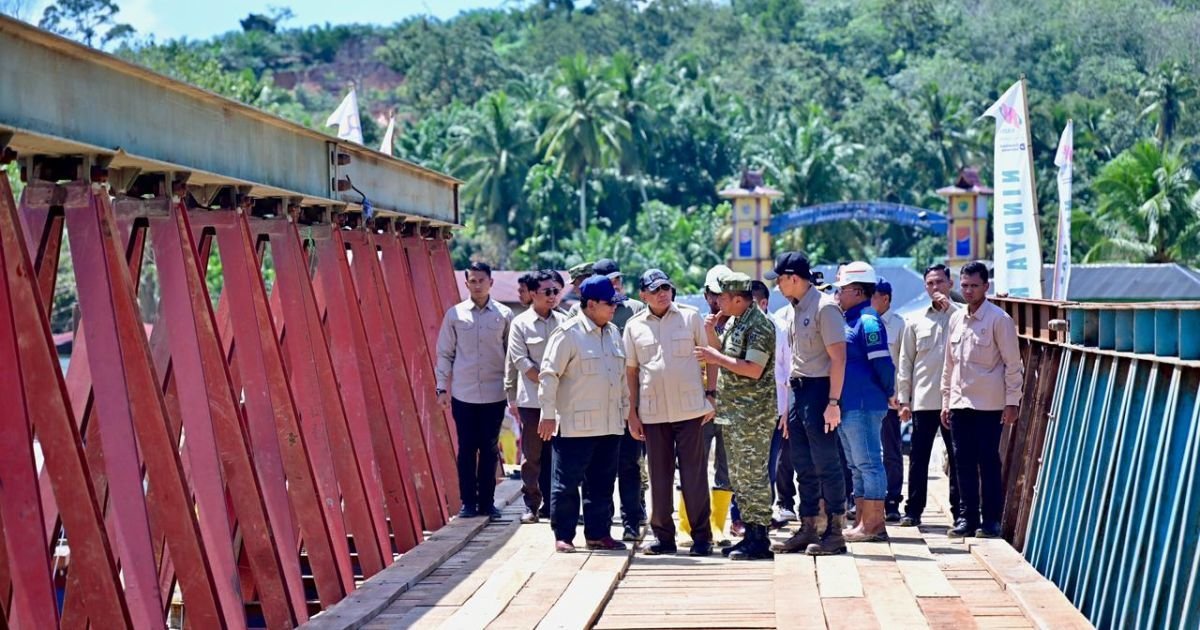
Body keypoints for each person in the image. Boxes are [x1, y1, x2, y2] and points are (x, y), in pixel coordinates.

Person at [624, 269, 717, 556]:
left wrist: (712, 395)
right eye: (655, 290)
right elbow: (631, 370)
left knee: (695, 477)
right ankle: (664, 538)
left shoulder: (690, 317)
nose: (662, 293)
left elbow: (711, 356)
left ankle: (702, 538)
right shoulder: (634, 326)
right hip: (653, 413)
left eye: (665, 287)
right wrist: (632, 413)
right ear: (643, 295)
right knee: (659, 478)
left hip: (690, 411)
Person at [539, 275, 631, 553]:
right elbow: (549, 375)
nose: (614, 308)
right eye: (609, 304)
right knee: (566, 484)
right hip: (575, 426)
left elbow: (622, 380)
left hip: (609, 423)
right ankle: (564, 535)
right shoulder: (568, 334)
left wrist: (626, 414)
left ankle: (598, 534)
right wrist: (547, 414)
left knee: (602, 484)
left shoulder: (613, 333)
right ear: (590, 304)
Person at [767, 252, 848, 556]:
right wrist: (788, 407)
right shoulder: (793, 309)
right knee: (802, 463)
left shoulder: (825, 308)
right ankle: (809, 526)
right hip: (799, 391)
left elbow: (839, 358)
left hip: (820, 390)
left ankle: (835, 531)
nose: (778, 286)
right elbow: (793, 363)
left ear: (793, 278)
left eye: (780, 279)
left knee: (827, 462)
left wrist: (833, 402)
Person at [695, 272, 777, 561]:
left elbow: (753, 369)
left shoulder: (759, 326)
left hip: (753, 415)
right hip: (735, 414)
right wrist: (710, 334)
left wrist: (715, 359)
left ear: (739, 299)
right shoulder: (734, 322)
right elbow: (724, 354)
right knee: (740, 477)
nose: (718, 301)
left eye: (723, 297)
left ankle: (759, 536)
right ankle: (750, 534)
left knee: (754, 476)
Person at [941, 261, 1023, 539]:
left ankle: (991, 521)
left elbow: (1013, 364)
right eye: (964, 285)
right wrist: (946, 400)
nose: (969, 291)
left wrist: (1012, 402)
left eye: (974, 286)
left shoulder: (999, 320)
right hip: (960, 403)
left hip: (989, 405)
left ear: (986, 287)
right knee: (961, 461)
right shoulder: (955, 319)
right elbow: (949, 365)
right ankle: (966, 518)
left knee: (988, 462)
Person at [568, 259, 648, 541]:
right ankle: (600, 527)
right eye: (608, 281)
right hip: (593, 408)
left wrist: (635, 408)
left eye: (617, 279)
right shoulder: (575, 319)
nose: (615, 285)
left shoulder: (636, 311)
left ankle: (632, 520)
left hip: (627, 402)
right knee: (596, 472)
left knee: (630, 465)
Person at [436, 261, 514, 520]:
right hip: (463, 393)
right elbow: (445, 353)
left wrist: (512, 391)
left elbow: (511, 355)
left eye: (482, 280)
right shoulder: (455, 315)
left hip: (494, 392)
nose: (477, 284)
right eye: (472, 280)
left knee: (490, 448)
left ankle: (488, 503)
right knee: (467, 448)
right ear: (466, 283)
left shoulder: (503, 315)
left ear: (490, 282)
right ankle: (468, 502)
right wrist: (441, 388)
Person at [831, 262, 894, 543]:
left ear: (856, 291)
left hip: (863, 403)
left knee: (868, 463)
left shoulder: (868, 322)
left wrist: (888, 391)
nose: (837, 295)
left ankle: (874, 524)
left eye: (841, 290)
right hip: (847, 404)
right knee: (856, 466)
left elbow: (883, 363)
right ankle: (861, 522)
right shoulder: (849, 320)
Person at [897, 264, 962, 527]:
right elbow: (906, 363)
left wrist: (952, 308)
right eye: (930, 283)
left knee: (958, 457)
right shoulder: (915, 321)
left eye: (940, 282)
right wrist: (904, 400)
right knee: (918, 456)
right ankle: (913, 510)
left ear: (950, 283)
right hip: (924, 400)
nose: (935, 288)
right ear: (925, 287)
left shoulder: (962, 316)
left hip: (956, 400)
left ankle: (960, 512)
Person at [506, 271, 569, 524]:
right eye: (547, 292)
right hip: (532, 401)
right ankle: (532, 505)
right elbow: (521, 361)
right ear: (532, 294)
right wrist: (547, 380)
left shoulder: (565, 321)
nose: (553, 297)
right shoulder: (520, 324)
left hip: (562, 400)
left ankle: (554, 506)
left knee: (559, 454)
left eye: (556, 291)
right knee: (532, 455)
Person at [750, 281, 797, 524]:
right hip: (746, 409)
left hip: (775, 407)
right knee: (747, 464)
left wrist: (787, 411)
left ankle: (763, 515)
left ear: (764, 303)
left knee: (770, 463)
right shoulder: (738, 327)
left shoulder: (781, 328)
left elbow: (790, 372)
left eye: (752, 303)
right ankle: (748, 517)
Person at [871, 277, 906, 523]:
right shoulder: (862, 322)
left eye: (873, 296)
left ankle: (892, 501)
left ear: (885, 298)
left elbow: (903, 363)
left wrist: (902, 396)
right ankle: (862, 500)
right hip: (863, 399)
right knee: (863, 453)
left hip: (889, 400)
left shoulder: (900, 324)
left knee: (891, 452)